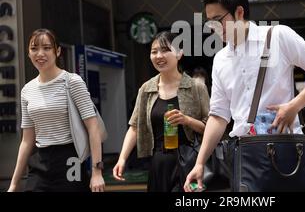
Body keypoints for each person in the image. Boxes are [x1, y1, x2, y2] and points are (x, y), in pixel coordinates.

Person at [184, 0, 305, 192]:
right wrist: (200, 163)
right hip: (243, 153)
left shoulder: (278, 35)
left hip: (286, 147)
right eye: (209, 23)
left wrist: (294, 106)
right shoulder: (220, 59)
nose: (214, 28)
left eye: (218, 20)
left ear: (239, 12)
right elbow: (218, 116)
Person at [8, 29, 105, 192]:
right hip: (39, 161)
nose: (40, 53)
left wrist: (97, 171)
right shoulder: (27, 90)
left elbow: (93, 127)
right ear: (28, 52)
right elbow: (27, 140)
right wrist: (14, 184)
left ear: (58, 51)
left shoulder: (72, 81)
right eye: (34, 48)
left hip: (69, 159)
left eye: (46, 48)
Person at [113, 31, 209, 192]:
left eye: (165, 50)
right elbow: (135, 126)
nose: (159, 56)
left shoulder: (196, 88)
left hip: (189, 161)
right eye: (154, 51)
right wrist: (122, 158)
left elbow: (211, 127)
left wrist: (187, 120)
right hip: (158, 162)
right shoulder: (146, 89)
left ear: (179, 54)